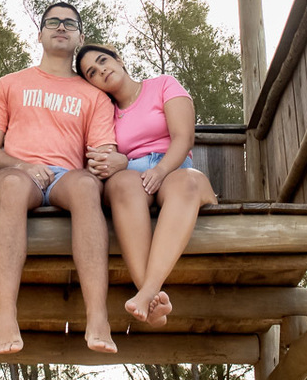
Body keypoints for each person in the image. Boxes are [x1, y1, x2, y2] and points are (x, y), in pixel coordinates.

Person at [0, 3, 119, 355]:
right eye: (53, 22)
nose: (61, 27)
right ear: (40, 34)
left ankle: (98, 316)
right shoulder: (9, 84)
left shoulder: (95, 96)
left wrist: (110, 160)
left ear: (80, 37)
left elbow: (102, 154)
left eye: (70, 23)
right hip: (18, 174)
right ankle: (6, 314)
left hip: (66, 179)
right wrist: (23, 166)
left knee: (87, 185)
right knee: (12, 186)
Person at [75, 44, 218, 327]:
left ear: (118, 59)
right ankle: (151, 300)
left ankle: (148, 293)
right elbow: (101, 158)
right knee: (121, 184)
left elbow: (183, 137)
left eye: (103, 60)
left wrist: (161, 170)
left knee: (187, 182)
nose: (101, 70)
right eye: (92, 72)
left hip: (174, 167)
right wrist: (121, 162)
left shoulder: (163, 85)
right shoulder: (104, 113)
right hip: (133, 177)